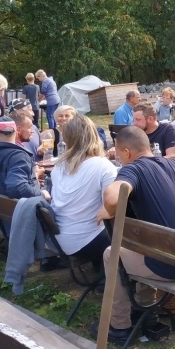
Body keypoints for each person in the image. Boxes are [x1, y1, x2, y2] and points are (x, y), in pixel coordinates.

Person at [92, 126, 175, 344]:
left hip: (173, 266)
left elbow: (111, 198)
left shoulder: (133, 169)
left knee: (112, 254)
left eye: (118, 155)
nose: (119, 160)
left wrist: (109, 210)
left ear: (127, 152)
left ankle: (119, 326)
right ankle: (147, 312)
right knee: (143, 247)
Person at [49, 115, 117, 272]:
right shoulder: (103, 166)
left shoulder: (58, 166)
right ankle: (109, 274)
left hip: (60, 238)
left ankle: (100, 270)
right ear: (93, 133)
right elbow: (111, 206)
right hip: (87, 239)